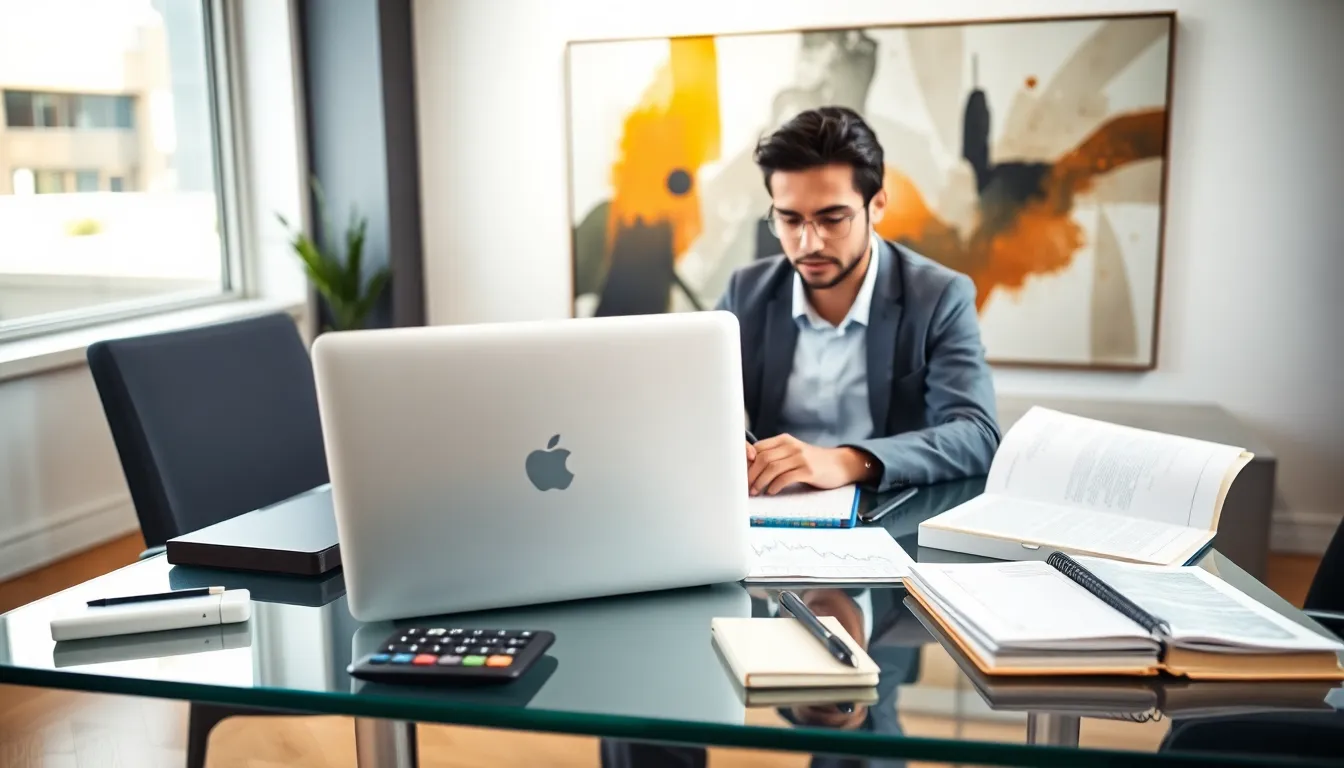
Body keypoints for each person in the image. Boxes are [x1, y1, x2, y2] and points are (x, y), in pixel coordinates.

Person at [716, 106, 1000, 495]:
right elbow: (695, 403)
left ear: (878, 204)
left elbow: (978, 436)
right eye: (790, 219)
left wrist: (847, 461)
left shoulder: (938, 297)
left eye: (833, 219)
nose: (808, 243)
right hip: (771, 510)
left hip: (888, 512)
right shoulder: (746, 292)